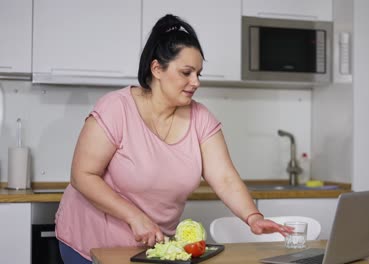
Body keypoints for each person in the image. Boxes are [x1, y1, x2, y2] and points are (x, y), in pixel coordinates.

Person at [55, 14, 292, 264]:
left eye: (198, 73)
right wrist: (134, 216)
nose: (196, 82)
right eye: (186, 73)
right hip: (90, 242)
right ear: (157, 69)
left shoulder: (201, 118)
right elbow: (82, 175)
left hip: (149, 250)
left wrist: (252, 217)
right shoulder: (116, 108)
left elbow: (224, 178)